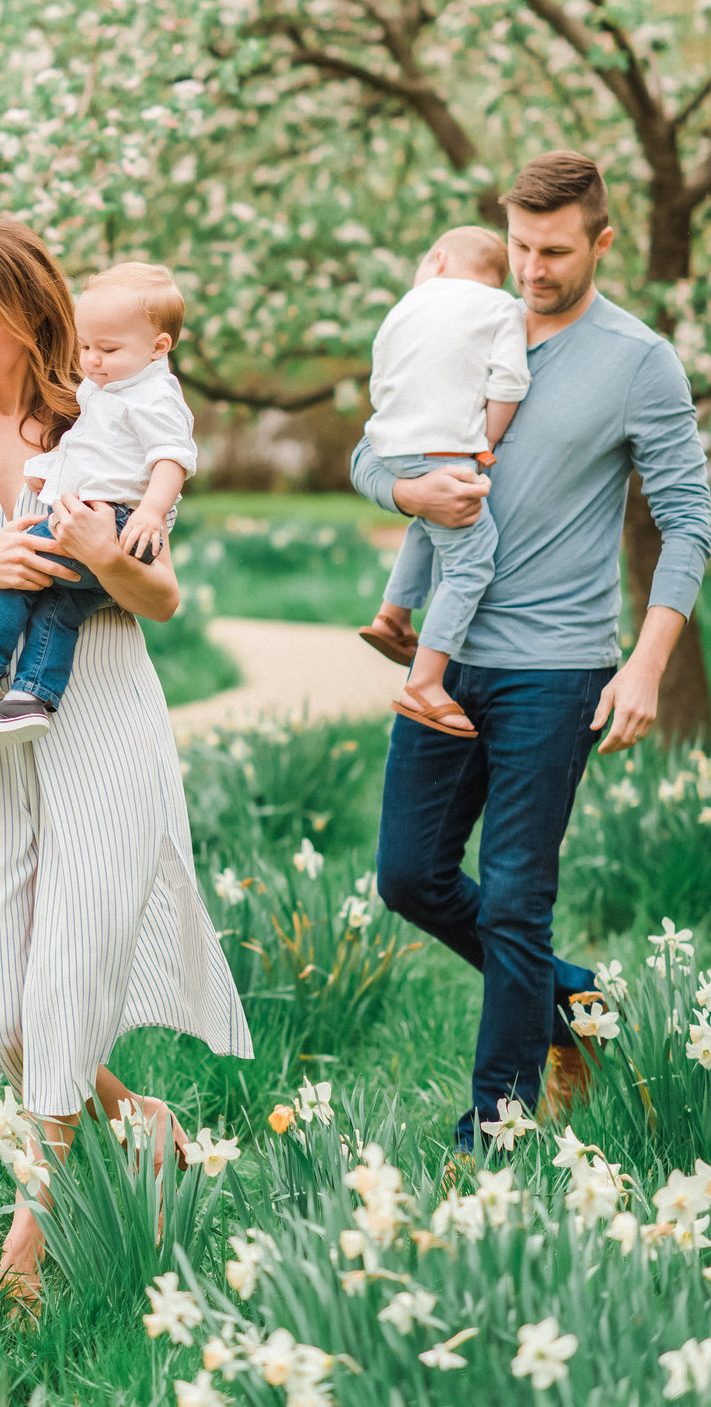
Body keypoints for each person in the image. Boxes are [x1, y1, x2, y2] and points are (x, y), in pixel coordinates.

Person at [0, 218, 252, 1305]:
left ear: (35, 313)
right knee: (4, 1016)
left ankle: (30, 1239)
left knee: (68, 982)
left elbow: (161, 599)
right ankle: (142, 1120)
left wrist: (113, 555)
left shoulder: (102, 410)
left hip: (103, 713)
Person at [350, 150, 711, 1156]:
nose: (532, 269)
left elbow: (688, 520)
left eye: (555, 251)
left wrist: (644, 663)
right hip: (445, 657)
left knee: (516, 894)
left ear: (603, 241)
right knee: (408, 876)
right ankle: (577, 998)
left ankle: (494, 1130)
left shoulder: (639, 361)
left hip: (556, 667)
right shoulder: (464, 318)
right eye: (518, 246)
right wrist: (402, 492)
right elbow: (373, 445)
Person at [0, 262, 197, 748]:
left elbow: (173, 456)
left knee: (24, 558)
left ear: (159, 347)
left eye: (108, 349)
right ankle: (32, 697)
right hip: (101, 517)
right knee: (60, 608)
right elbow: (94, 447)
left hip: (115, 520)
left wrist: (150, 513)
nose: (92, 361)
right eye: (85, 347)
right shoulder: (108, 388)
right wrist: (51, 465)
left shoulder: (153, 395)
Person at [357, 225, 531, 737]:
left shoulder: (405, 307)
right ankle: (426, 682)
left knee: (428, 521)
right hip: (445, 446)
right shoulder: (502, 307)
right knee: (473, 560)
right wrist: (486, 443)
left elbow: (380, 376)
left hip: (390, 441)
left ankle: (393, 616)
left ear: (437, 260)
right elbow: (510, 381)